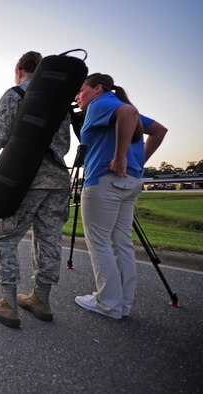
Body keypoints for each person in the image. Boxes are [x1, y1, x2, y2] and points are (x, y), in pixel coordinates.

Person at [0, 51, 72, 328]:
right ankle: (40, 300)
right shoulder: (62, 100)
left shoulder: (15, 95)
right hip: (57, 179)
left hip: (23, 178)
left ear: (19, 69)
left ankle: (8, 304)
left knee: (5, 238)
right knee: (48, 240)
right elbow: (65, 143)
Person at [73, 73, 168, 319]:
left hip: (104, 182)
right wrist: (137, 161)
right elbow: (158, 130)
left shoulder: (100, 103)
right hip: (130, 182)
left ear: (97, 88)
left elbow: (128, 114)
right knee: (121, 243)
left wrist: (120, 157)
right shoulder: (113, 104)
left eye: (81, 90)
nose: (77, 97)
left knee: (100, 243)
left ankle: (107, 303)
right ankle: (123, 304)